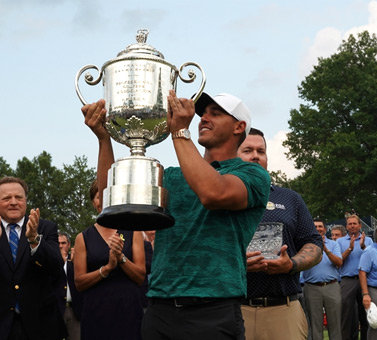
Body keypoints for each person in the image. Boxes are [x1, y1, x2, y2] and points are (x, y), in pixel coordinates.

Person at [82, 91, 271, 339]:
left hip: (214, 309)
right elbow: (111, 198)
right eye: (203, 114)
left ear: (239, 127)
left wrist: (180, 132)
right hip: (160, 308)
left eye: (215, 114)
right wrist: (104, 139)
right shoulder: (172, 175)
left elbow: (213, 193)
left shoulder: (252, 174)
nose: (203, 118)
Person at [238, 127, 322, 340]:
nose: (255, 156)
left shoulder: (290, 199)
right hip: (234, 309)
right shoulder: (218, 196)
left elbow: (313, 243)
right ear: (233, 155)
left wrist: (291, 264)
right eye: (247, 150)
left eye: (261, 151)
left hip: (283, 309)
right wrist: (237, 262)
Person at [0, 176, 66, 340]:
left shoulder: (45, 228)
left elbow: (56, 268)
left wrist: (34, 240)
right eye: (6, 198)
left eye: (19, 197)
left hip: (39, 325)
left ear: (25, 200)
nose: (13, 202)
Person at [73, 180, 146, 340]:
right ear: (93, 201)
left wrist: (121, 258)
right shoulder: (82, 238)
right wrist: (106, 269)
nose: (104, 201)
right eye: (100, 196)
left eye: (109, 196)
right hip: (96, 311)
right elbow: (79, 283)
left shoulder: (133, 231)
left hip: (128, 309)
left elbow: (140, 277)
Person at [302, 218, 343, 340]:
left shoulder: (334, 244)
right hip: (312, 287)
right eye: (315, 226)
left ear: (325, 229)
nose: (318, 229)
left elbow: (339, 262)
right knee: (315, 325)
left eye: (320, 226)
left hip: (332, 286)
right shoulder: (305, 246)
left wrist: (325, 249)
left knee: (335, 323)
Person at [338, 214, 373, 340]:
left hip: (365, 281)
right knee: (347, 316)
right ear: (346, 226)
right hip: (348, 281)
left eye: (354, 223)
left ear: (360, 225)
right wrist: (350, 248)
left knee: (366, 314)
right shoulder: (340, 241)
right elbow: (338, 261)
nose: (352, 226)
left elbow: (372, 259)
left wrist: (363, 246)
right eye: (350, 224)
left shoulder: (368, 240)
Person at [359, 226, 377, 340]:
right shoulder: (369, 251)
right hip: (375, 291)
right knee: (375, 323)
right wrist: (365, 294)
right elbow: (362, 272)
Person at [57, 231, 83, 340]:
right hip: (57, 309)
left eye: (63, 243)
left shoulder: (75, 260)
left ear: (68, 244)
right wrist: (60, 263)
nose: (60, 246)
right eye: (58, 243)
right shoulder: (50, 261)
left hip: (74, 309)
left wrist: (75, 261)